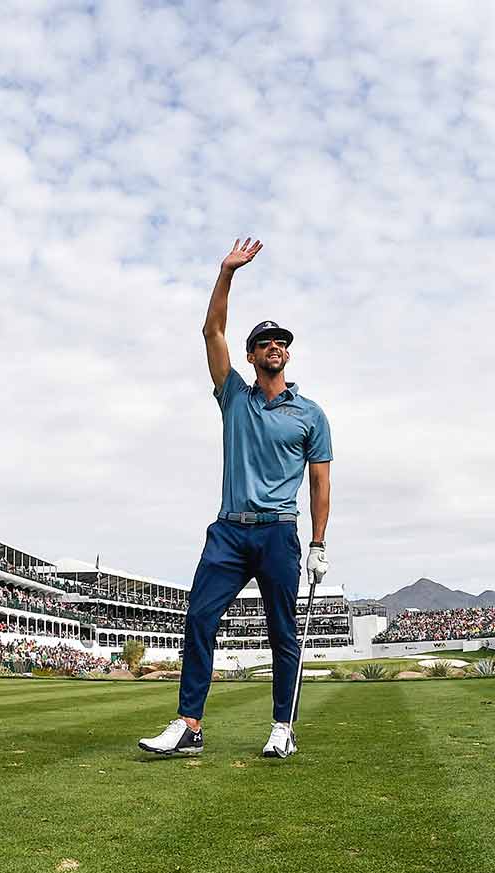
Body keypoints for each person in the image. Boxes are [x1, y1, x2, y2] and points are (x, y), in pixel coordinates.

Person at [139, 239, 333, 760]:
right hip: (228, 530)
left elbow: (319, 481)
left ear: (287, 354)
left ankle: (282, 727)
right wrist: (227, 272)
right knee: (199, 617)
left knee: (282, 630)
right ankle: (189, 726)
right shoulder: (234, 397)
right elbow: (212, 331)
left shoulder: (310, 414)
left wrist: (317, 542)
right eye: (265, 341)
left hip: (276, 531)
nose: (275, 346)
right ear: (251, 356)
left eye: (281, 342)